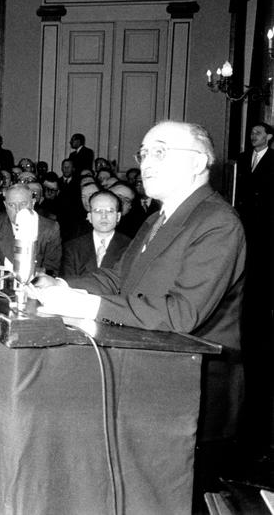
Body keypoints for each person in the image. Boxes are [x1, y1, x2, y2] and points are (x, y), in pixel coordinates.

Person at [31, 121, 246, 483]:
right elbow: (117, 279)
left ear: (197, 163)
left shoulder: (218, 222)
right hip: (147, 376)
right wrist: (59, 283)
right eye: (144, 152)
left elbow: (181, 314)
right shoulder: (155, 220)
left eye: (160, 151)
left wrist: (85, 306)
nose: (147, 162)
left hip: (192, 391)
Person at [234, 122, 274, 459]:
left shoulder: (272, 161)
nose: (253, 137)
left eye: (259, 133)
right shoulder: (243, 160)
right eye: (253, 133)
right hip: (248, 227)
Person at [0, 183, 62, 276]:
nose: (18, 210)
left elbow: (51, 269)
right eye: (12, 205)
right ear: (5, 205)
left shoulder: (50, 228)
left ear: (33, 203)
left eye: (23, 204)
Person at [61, 190, 131, 278]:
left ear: (118, 217)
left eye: (110, 211)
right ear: (89, 217)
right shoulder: (72, 248)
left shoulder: (130, 247)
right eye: (98, 211)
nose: (104, 216)